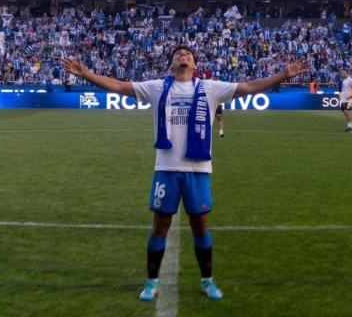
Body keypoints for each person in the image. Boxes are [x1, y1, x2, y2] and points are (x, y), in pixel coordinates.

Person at [60, 46, 306, 302]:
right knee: (159, 227)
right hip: (166, 169)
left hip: (197, 170)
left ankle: (207, 280)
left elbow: (248, 87)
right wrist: (85, 73)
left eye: (188, 54)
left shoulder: (210, 88)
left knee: (200, 228)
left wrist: (283, 75)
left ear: (196, 65)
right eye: (178, 54)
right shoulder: (156, 88)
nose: (183, 55)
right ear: (171, 65)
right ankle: (151, 281)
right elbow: (120, 87)